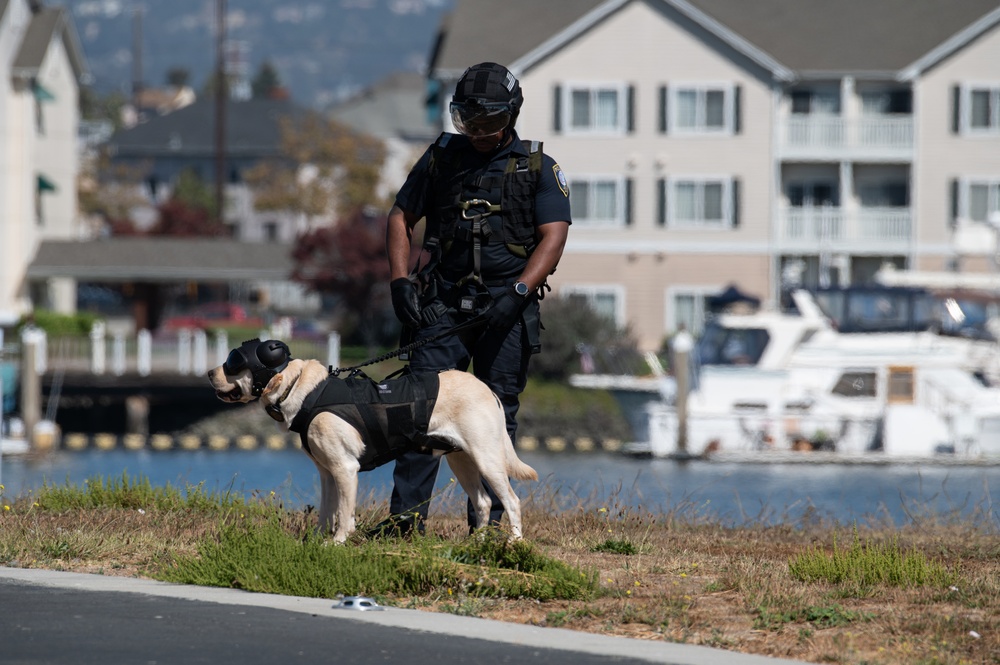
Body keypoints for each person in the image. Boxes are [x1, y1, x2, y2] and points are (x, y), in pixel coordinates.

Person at [376, 61, 571, 536]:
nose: (479, 132)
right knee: (419, 409)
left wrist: (520, 292)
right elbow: (401, 216)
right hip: (441, 303)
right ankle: (404, 525)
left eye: (490, 122)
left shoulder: (538, 167)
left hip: (507, 309)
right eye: (468, 121)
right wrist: (400, 282)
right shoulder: (441, 157)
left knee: (496, 414)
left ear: (512, 115)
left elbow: (554, 236)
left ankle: (489, 532)